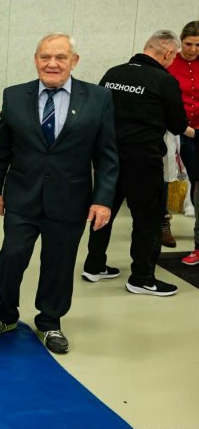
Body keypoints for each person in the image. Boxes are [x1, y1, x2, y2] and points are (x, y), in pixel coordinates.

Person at [0, 34, 118, 355]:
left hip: (70, 199)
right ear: (36, 60)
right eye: (45, 57)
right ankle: (5, 314)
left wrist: (103, 200)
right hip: (22, 196)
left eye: (60, 57)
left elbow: (107, 155)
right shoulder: (15, 95)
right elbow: (1, 150)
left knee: (59, 262)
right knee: (12, 256)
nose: (52, 64)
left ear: (74, 61)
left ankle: (49, 321)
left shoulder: (98, 98)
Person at [82, 31, 192, 296]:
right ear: (168, 53)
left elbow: (97, 111)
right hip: (143, 161)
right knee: (147, 219)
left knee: (104, 211)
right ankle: (142, 277)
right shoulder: (164, 80)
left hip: (109, 158)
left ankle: (94, 265)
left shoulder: (113, 73)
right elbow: (178, 124)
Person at [167, 21, 199, 265]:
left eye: (198, 45)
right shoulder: (170, 63)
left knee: (197, 183)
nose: (193, 49)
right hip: (177, 131)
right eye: (188, 44)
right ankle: (162, 222)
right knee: (167, 178)